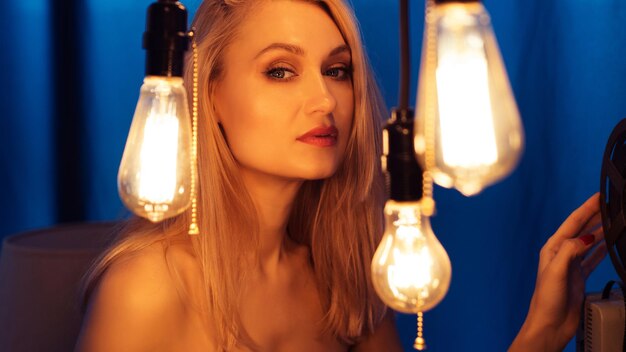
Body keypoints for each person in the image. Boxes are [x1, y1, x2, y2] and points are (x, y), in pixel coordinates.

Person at [74, 1, 607, 351]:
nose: (324, 100)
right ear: (210, 93)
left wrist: (542, 330)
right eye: (280, 71)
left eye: (338, 70)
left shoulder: (344, 280)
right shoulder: (147, 287)